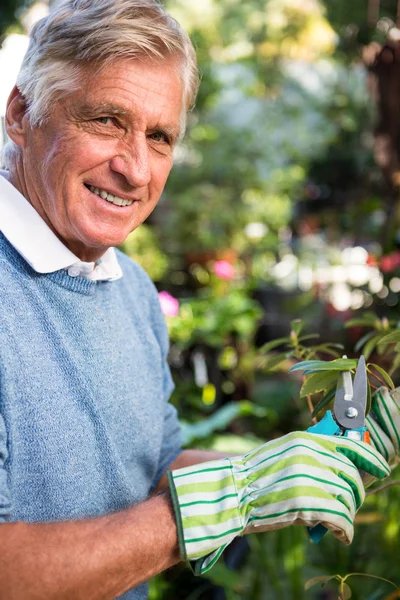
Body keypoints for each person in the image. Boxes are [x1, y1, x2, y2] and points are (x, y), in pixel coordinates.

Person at [0, 1, 398, 598]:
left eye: (159, 137)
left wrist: (285, 466)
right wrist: (224, 502)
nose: (135, 169)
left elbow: (155, 472)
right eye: (107, 120)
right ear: (21, 113)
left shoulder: (130, 288)